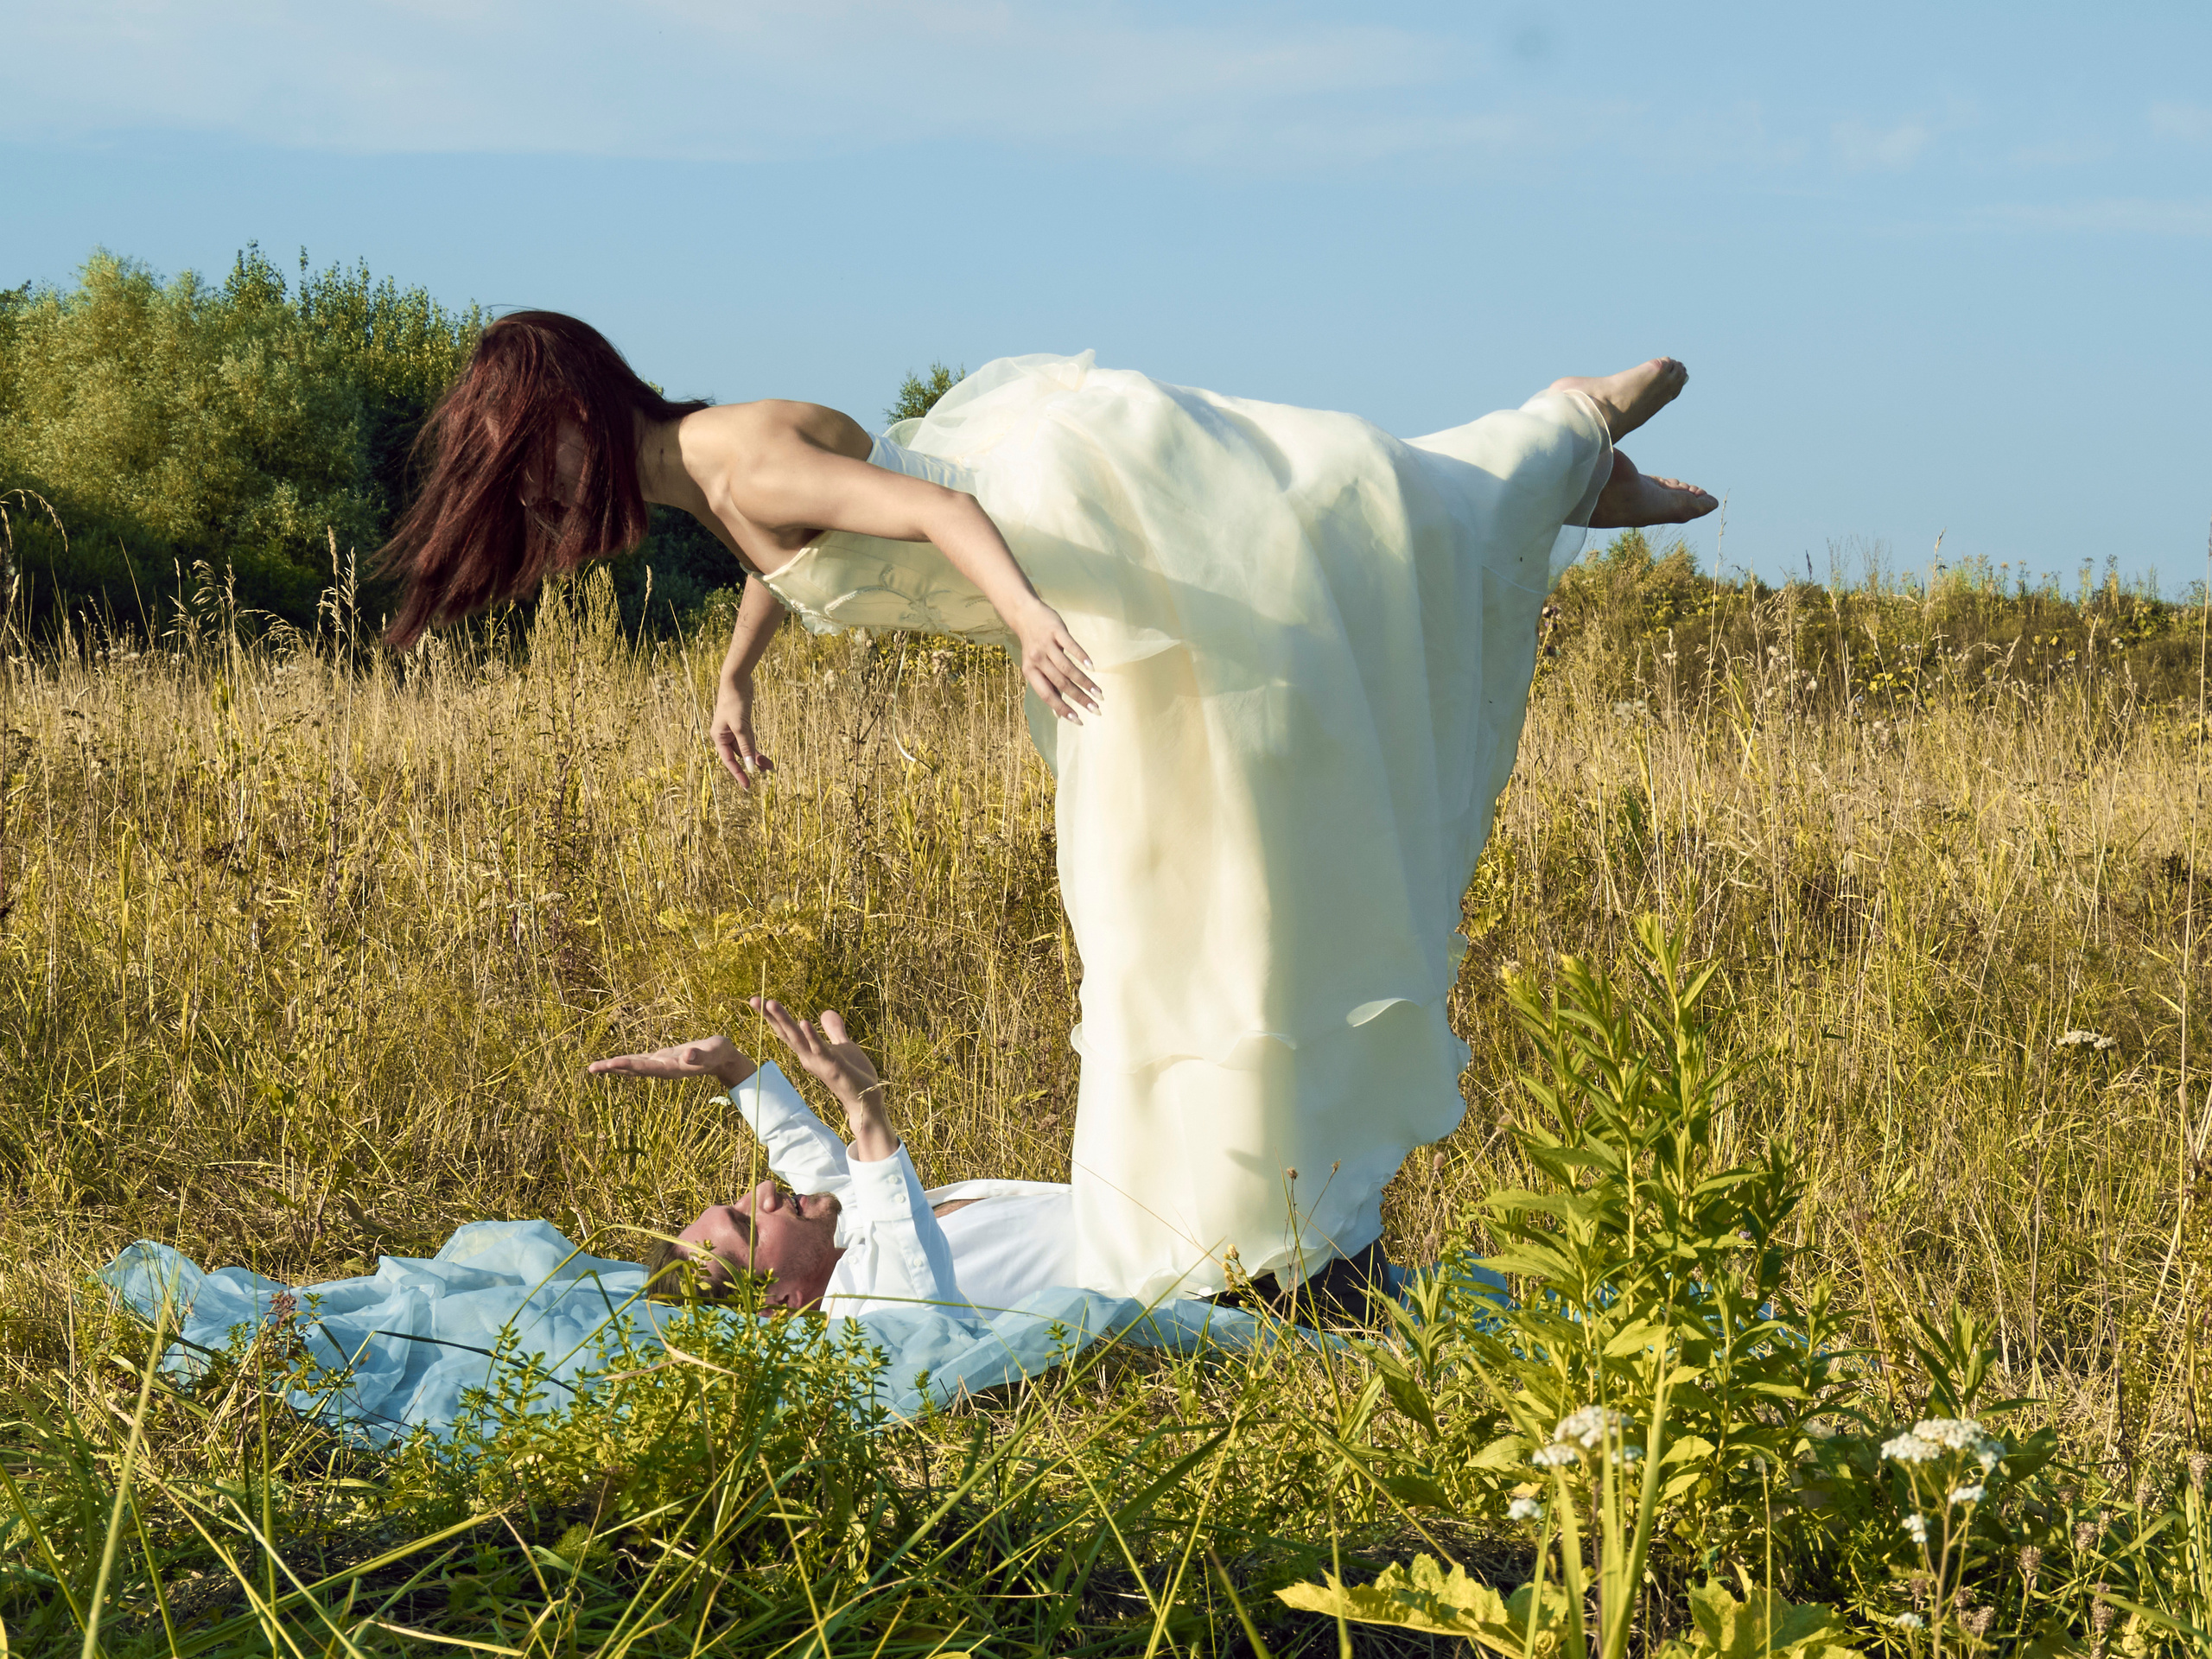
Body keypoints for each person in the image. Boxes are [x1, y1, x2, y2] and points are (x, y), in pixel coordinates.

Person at [382, 314, 1717, 1302]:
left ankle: (1561, 433)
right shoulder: (715, 475)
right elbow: (788, 561)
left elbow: (934, 508)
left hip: (1092, 579)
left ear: (575, 423)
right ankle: (1566, 482)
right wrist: (737, 677)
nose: (550, 519)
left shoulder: (735, 466)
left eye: (538, 484)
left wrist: (1025, 623)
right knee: (1191, 907)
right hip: (1085, 589)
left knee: (1187, 905)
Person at [590, 997, 1078, 1319]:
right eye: (748, 1227)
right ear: (778, 1301)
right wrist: (864, 1111)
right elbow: (906, 1248)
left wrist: (731, 1068)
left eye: (734, 1204)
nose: (762, 1192)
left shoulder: (838, 1245)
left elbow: (808, 1156)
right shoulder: (875, 1309)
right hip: (1146, 1242)